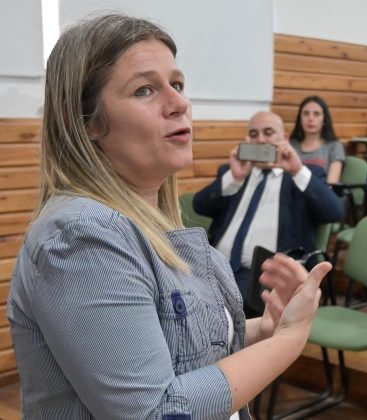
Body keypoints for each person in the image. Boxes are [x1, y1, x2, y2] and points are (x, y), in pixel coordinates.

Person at [7, 14, 330, 420]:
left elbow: (173, 349)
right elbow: (156, 411)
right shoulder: (81, 237)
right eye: (145, 90)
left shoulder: (151, 219)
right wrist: (287, 341)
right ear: (87, 121)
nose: (180, 103)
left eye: (177, 84)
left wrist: (262, 330)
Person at [193, 111, 343, 293]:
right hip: (214, 265)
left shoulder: (302, 175)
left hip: (264, 274)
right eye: (254, 134)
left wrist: (297, 170)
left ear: (284, 139)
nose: (261, 140)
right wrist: (234, 177)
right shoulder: (234, 173)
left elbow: (335, 212)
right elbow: (199, 206)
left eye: (269, 132)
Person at [289, 95, 346, 183]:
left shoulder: (334, 146)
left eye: (316, 114)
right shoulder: (291, 145)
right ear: (300, 119)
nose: (310, 118)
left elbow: (331, 184)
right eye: (306, 113)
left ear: (324, 120)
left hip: (320, 194)